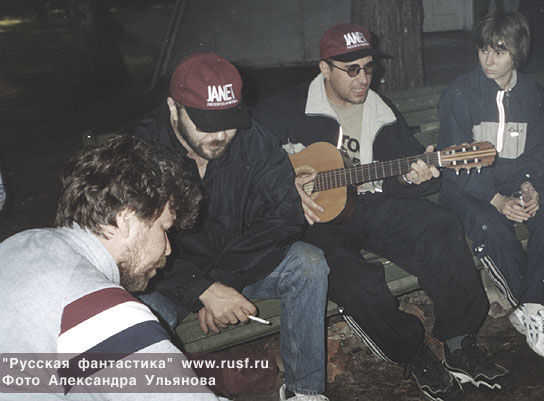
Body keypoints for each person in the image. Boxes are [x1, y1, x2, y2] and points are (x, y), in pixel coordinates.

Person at [253, 23, 512, 401]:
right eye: (352, 69)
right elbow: (243, 155)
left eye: (369, 67)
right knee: (347, 272)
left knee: (440, 225)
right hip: (311, 218)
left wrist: (414, 177)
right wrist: (284, 183)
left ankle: (460, 344)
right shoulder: (288, 108)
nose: (363, 78)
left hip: (369, 204)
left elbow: (405, 179)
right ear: (325, 68)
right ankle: (411, 351)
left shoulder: (380, 111)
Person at [131, 53, 330, 401]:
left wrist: (222, 282)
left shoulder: (252, 139)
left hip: (237, 265)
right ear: (173, 108)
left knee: (308, 263)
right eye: (207, 123)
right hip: (165, 277)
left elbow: (285, 216)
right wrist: (202, 288)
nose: (221, 135)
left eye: (230, 120)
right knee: (135, 321)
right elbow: (131, 249)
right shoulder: (140, 151)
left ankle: (305, 392)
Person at [0, 135, 224, 400]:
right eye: (164, 229)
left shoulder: (22, 243)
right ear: (127, 220)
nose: (168, 249)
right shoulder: (101, 311)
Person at [437, 11, 544, 359]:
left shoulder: (532, 95)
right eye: (484, 50)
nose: (489, 60)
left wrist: (530, 184)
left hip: (514, 182)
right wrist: (495, 198)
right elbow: (453, 160)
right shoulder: (460, 94)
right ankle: (536, 307)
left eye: (499, 52)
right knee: (490, 222)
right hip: (466, 190)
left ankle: (534, 308)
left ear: (517, 53)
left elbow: (543, 148)